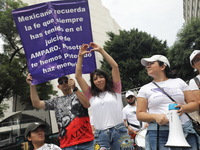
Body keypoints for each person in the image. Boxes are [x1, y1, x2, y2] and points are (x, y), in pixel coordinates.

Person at [75, 42, 133, 150]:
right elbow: (78, 76)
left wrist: (101, 50)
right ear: (93, 82)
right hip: (100, 135)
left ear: (106, 78)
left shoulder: (116, 90)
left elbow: (115, 67)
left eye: (101, 77)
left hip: (119, 132)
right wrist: (80, 56)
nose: (98, 80)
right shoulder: (90, 94)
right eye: (95, 79)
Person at [136, 54, 200, 150]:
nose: (147, 66)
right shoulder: (144, 89)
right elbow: (140, 114)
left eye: (151, 63)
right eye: (147, 64)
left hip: (185, 129)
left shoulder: (179, 82)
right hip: (159, 132)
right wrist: (155, 116)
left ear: (163, 66)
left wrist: (183, 108)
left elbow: (194, 104)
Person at [26, 75, 94, 150]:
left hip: (86, 142)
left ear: (70, 81)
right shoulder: (55, 101)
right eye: (61, 82)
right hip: (67, 145)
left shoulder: (78, 94)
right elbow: (36, 103)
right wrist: (32, 85)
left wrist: (75, 88)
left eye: (66, 81)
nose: (64, 83)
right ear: (59, 87)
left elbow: (87, 104)